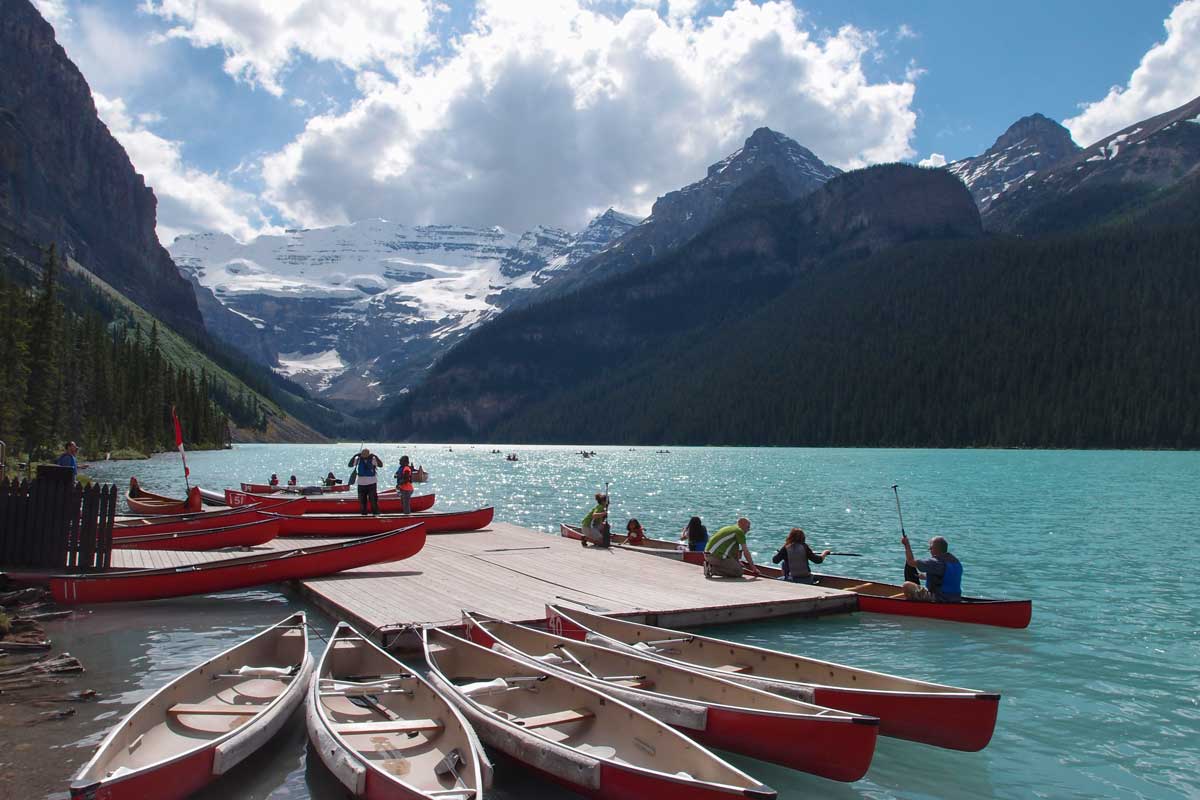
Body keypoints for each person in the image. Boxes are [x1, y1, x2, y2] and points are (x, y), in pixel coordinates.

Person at [902, 534, 963, 603]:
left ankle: (913, 607)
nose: (930, 550)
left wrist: (906, 544)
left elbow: (910, 562)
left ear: (934, 549)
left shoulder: (935, 562)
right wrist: (925, 576)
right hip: (955, 598)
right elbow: (946, 578)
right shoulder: (956, 562)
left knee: (906, 585)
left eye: (930, 548)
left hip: (939, 599)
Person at [347, 448, 384, 515]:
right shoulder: (358, 460)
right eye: (362, 454)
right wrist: (354, 456)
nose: (363, 455)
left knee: (373, 500)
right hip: (361, 484)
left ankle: (375, 513)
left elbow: (381, 465)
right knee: (362, 501)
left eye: (365, 454)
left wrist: (376, 456)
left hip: (371, 483)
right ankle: (364, 514)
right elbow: (349, 465)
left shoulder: (373, 459)